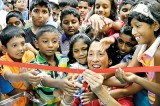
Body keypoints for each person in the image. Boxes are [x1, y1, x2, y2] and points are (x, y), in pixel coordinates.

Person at [115, 1, 160, 106]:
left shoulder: (158, 53)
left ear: (155, 25)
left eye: (138, 26)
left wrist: (136, 79)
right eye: (132, 27)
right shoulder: (143, 46)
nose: (133, 32)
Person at [30, 25, 79, 106]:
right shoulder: (33, 65)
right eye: (45, 41)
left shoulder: (63, 58)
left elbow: (71, 72)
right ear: (36, 43)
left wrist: (68, 78)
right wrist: (60, 84)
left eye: (54, 41)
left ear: (58, 43)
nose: (50, 45)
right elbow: (44, 80)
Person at [0, 26, 41, 106]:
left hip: (31, 100)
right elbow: (9, 76)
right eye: (14, 45)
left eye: (22, 44)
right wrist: (24, 76)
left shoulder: (29, 55)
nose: (20, 49)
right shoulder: (2, 61)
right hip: (14, 102)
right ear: (4, 48)